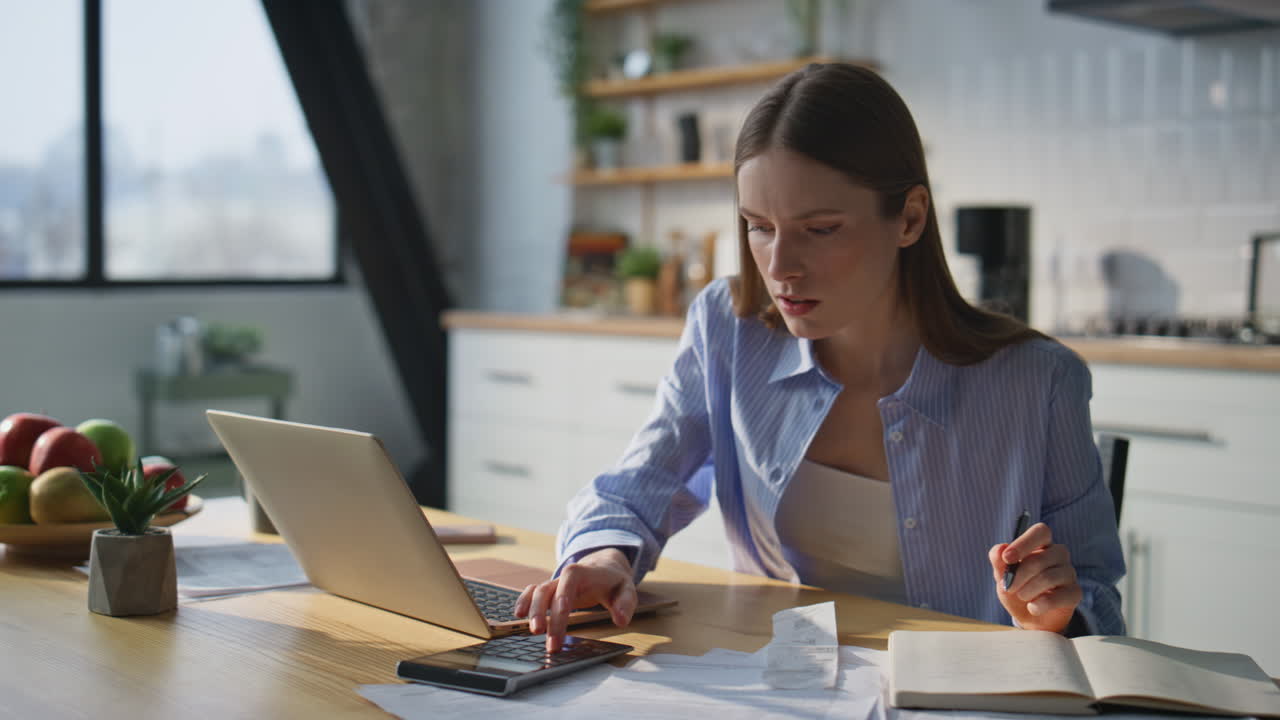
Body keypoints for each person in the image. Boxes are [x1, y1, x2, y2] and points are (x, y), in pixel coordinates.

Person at [515, 62, 1125, 652]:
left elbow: (1095, 602)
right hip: (780, 686)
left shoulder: (1040, 382)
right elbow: (637, 483)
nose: (780, 267)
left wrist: (1054, 617)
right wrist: (603, 555)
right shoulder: (726, 330)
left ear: (909, 218)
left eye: (821, 228)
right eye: (759, 226)